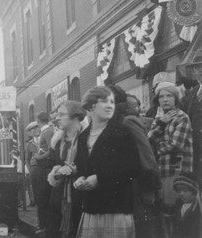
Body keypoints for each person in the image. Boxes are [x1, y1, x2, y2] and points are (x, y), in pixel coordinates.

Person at [74, 86, 140, 238]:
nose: (110, 105)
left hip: (116, 207)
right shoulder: (83, 136)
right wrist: (80, 179)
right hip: (92, 206)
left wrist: (99, 179)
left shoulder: (122, 132)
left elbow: (133, 167)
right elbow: (83, 167)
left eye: (112, 101)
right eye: (104, 101)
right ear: (91, 106)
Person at [108, 85, 164, 238]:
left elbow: (146, 156)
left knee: (142, 229)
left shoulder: (127, 122)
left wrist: (149, 189)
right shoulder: (111, 124)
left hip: (137, 187)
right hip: (123, 188)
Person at [148, 82, 194, 232]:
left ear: (175, 98)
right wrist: (162, 123)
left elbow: (176, 145)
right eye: (161, 96)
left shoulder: (182, 117)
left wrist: (158, 147)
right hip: (162, 170)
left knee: (176, 212)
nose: (165, 99)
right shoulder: (160, 119)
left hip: (177, 171)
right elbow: (148, 141)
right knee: (164, 212)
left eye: (169, 96)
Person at [47, 101, 86, 238]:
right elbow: (52, 164)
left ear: (75, 116)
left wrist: (76, 171)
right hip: (59, 196)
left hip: (80, 195)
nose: (57, 118)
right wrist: (56, 172)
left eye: (61, 114)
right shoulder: (57, 141)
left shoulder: (87, 138)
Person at [181, 55, 202, 186]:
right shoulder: (193, 92)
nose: (201, 70)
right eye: (197, 67)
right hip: (195, 150)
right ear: (194, 71)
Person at [33, 111, 54, 232]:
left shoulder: (48, 132)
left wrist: (38, 157)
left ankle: (45, 225)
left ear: (38, 121)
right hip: (42, 168)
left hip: (45, 168)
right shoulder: (46, 132)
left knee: (43, 197)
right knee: (41, 197)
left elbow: (51, 151)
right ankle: (42, 224)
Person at [172, 172, 201, 238]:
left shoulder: (197, 208)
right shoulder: (179, 204)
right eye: (179, 191)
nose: (181, 193)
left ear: (194, 191)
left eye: (185, 190)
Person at [25, 121, 41, 209]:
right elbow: (27, 158)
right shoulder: (29, 144)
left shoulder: (44, 139)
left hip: (44, 167)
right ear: (30, 133)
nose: (35, 131)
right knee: (36, 190)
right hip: (34, 168)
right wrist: (30, 169)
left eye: (36, 128)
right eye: (32, 130)